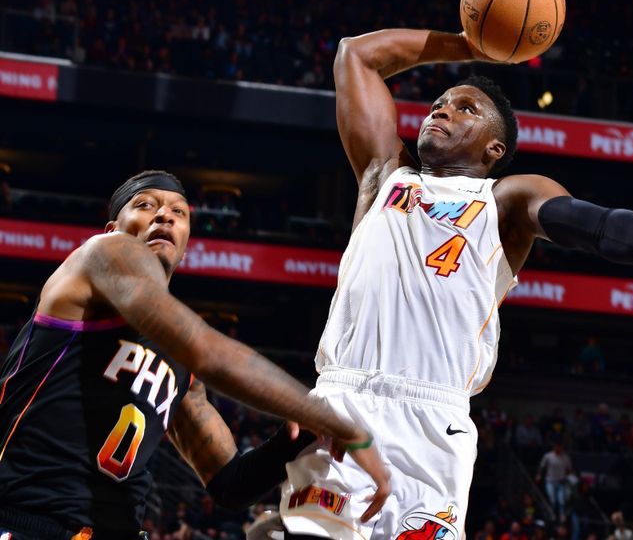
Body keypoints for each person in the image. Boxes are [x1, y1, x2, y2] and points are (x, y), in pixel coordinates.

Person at [279, 28, 633, 538]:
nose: (440, 110)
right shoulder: (385, 175)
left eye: (464, 108)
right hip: (340, 406)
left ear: (495, 147)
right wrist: (477, 43)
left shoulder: (506, 198)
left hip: (432, 425)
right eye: (439, 103)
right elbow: (355, 55)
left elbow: (594, 224)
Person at [0, 171, 389, 540]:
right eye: (145, 205)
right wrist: (333, 420)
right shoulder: (102, 254)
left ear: (186, 241)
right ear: (113, 229)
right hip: (30, 522)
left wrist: (291, 441)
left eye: (178, 212)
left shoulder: (179, 362)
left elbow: (230, 485)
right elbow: (208, 351)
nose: (164, 215)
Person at [536, 441, 574, 522]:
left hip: (561, 482)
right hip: (550, 481)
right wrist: (539, 475)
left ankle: (562, 516)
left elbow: (569, 470)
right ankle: (552, 515)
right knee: (552, 499)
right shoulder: (548, 456)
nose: (559, 448)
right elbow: (542, 466)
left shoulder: (566, 457)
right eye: (557, 446)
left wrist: (568, 477)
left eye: (561, 447)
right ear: (554, 447)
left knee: (561, 501)